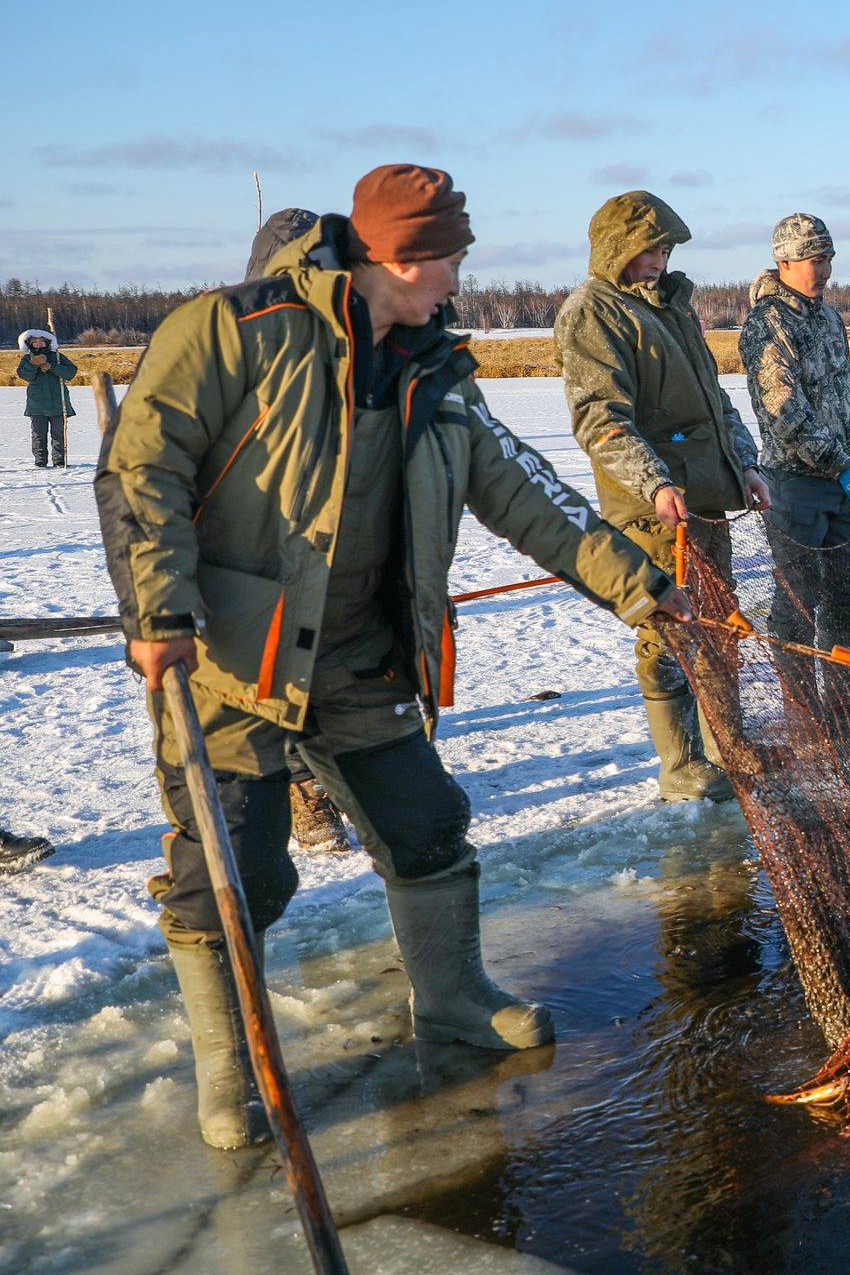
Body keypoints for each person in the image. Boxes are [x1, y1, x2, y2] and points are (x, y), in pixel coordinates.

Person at [103, 164, 690, 1149]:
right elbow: (141, 466)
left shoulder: (435, 372)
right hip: (232, 657)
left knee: (426, 826)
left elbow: (528, 495)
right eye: (451, 258)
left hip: (360, 653)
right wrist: (159, 607)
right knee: (235, 870)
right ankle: (229, 1067)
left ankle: (453, 1000)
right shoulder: (235, 331)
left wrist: (643, 586)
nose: (459, 278)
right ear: (403, 257)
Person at [559, 190, 771, 801]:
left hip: (706, 495)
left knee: (717, 622)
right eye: (648, 249)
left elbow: (715, 401)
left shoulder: (671, 308)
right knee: (668, 630)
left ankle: (728, 745)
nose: (658, 260)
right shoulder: (593, 311)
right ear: (615, 248)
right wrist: (653, 481)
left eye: (664, 250)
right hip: (652, 508)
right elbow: (599, 416)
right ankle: (681, 764)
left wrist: (746, 463)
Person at [740, 213, 850, 698]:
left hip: (845, 487)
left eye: (828, 259)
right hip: (796, 486)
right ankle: (804, 709)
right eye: (815, 260)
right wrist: (839, 464)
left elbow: (846, 394)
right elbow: (784, 413)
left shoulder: (828, 318)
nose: (824, 270)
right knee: (798, 604)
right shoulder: (767, 324)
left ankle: (847, 698)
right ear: (785, 262)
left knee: (849, 597)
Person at [238, 207, 356, 853]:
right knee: (279, 678)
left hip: (338, 543)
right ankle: (303, 791)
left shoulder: (350, 343)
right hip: (261, 547)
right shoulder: (232, 348)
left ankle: (341, 778)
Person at [16, 329, 77, 467]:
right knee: (38, 435)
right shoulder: (27, 359)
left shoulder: (58, 357)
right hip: (37, 404)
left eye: (41, 341)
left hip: (58, 403)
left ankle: (59, 461)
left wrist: (52, 366)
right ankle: (40, 462)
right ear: (30, 344)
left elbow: (71, 373)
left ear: (47, 342)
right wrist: (33, 364)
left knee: (58, 434)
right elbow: (26, 376)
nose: (38, 344)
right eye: (35, 342)